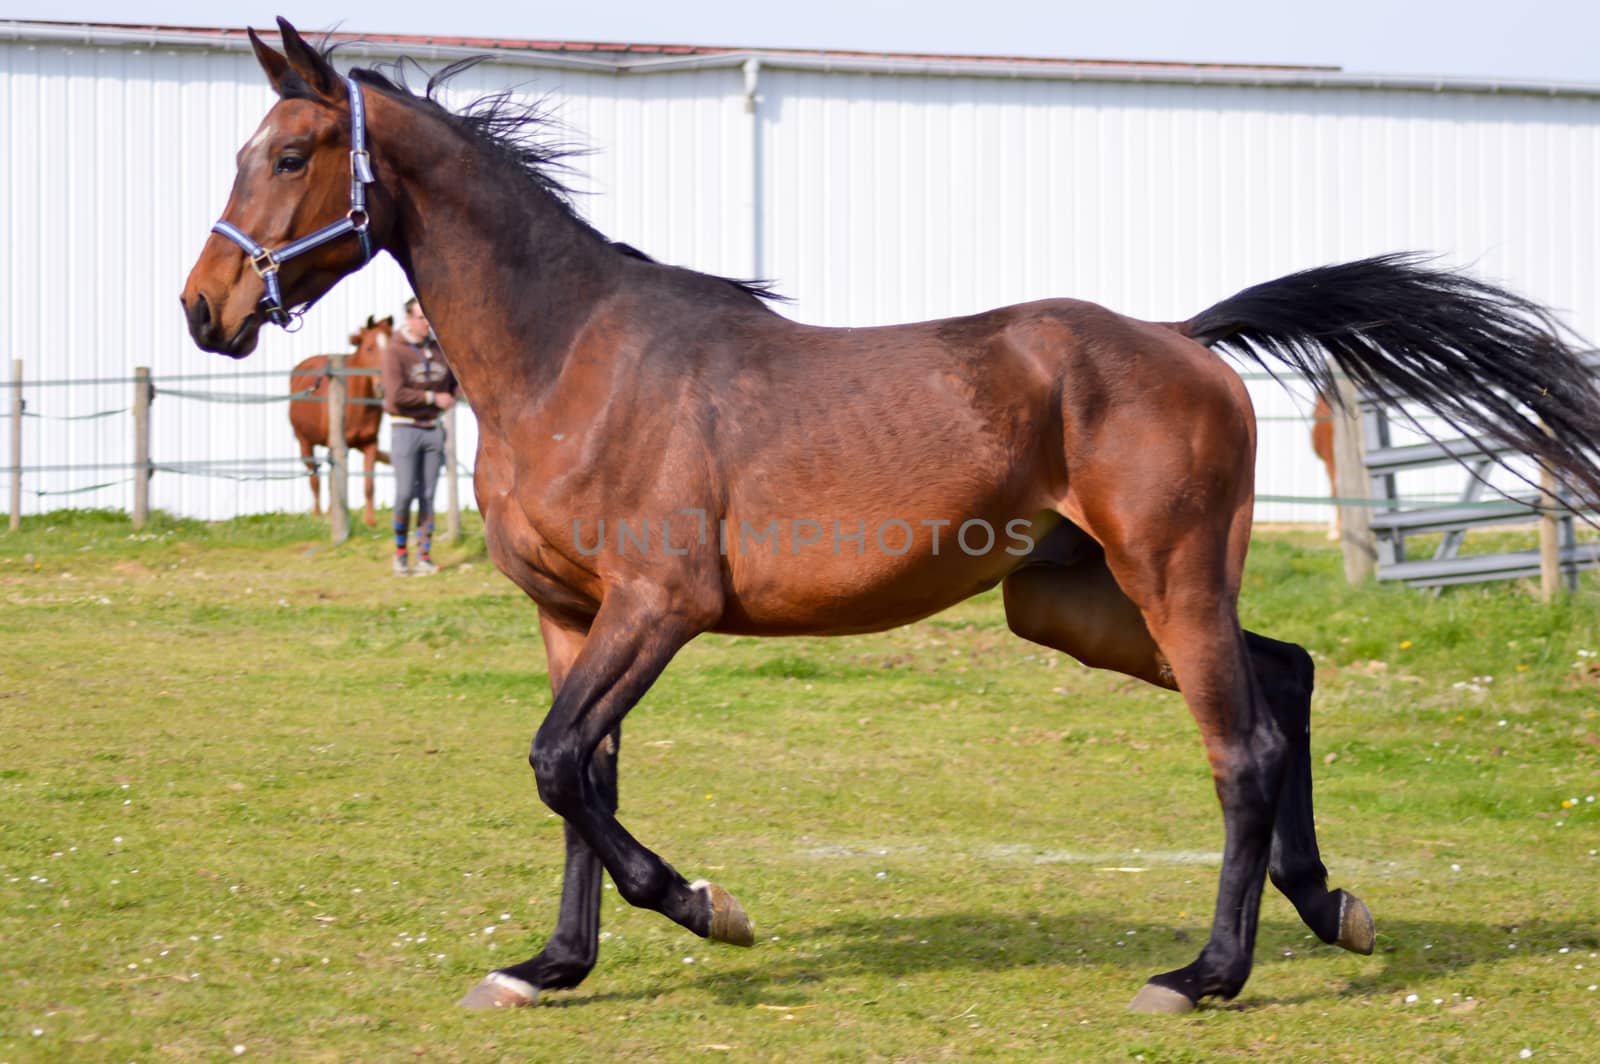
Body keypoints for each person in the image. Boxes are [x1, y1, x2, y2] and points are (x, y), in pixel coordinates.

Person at [382, 297, 458, 575]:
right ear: (409, 320)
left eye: (429, 318)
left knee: (427, 494)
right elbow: (395, 395)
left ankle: (423, 555)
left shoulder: (440, 351)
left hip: (433, 430)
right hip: (404, 429)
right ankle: (401, 553)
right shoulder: (395, 352)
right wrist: (431, 397)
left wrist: (452, 396)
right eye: (421, 318)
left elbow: (456, 381)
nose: (427, 323)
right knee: (404, 494)